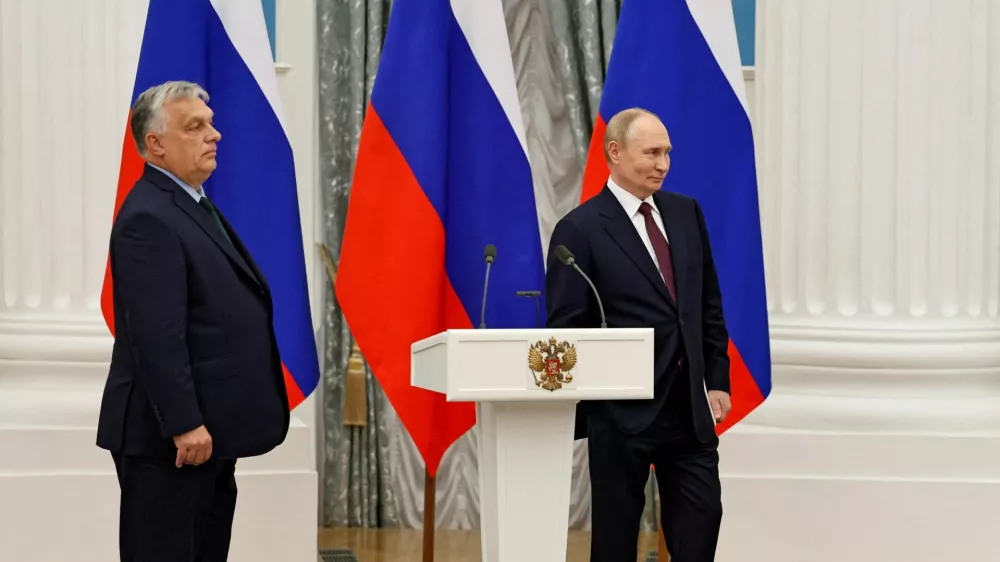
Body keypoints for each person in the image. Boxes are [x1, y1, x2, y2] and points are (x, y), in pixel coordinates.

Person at [95, 80, 289, 562]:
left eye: (211, 123)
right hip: (173, 441)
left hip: (208, 432)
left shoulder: (188, 203)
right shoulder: (150, 217)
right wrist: (185, 424)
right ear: (155, 144)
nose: (214, 134)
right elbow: (156, 334)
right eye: (195, 126)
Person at [545, 107, 731, 562]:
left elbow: (706, 304)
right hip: (621, 414)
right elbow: (566, 329)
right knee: (614, 542)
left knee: (701, 527)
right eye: (651, 153)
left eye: (667, 152)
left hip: (689, 408)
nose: (663, 164)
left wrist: (718, 379)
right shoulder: (580, 229)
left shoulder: (686, 213)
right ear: (616, 152)